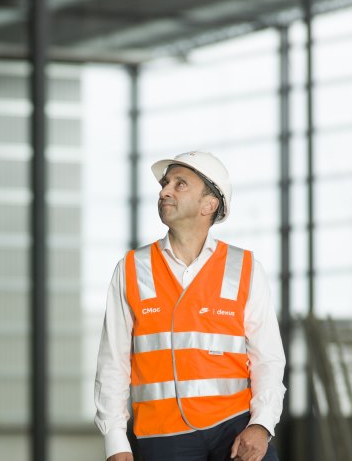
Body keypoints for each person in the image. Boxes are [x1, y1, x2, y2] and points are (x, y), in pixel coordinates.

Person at [94, 151, 286, 461]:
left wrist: (262, 424)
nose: (164, 191)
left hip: (234, 429)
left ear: (209, 205)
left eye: (179, 184)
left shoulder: (244, 268)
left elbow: (268, 359)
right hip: (162, 436)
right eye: (165, 184)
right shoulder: (131, 269)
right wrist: (116, 441)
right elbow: (112, 362)